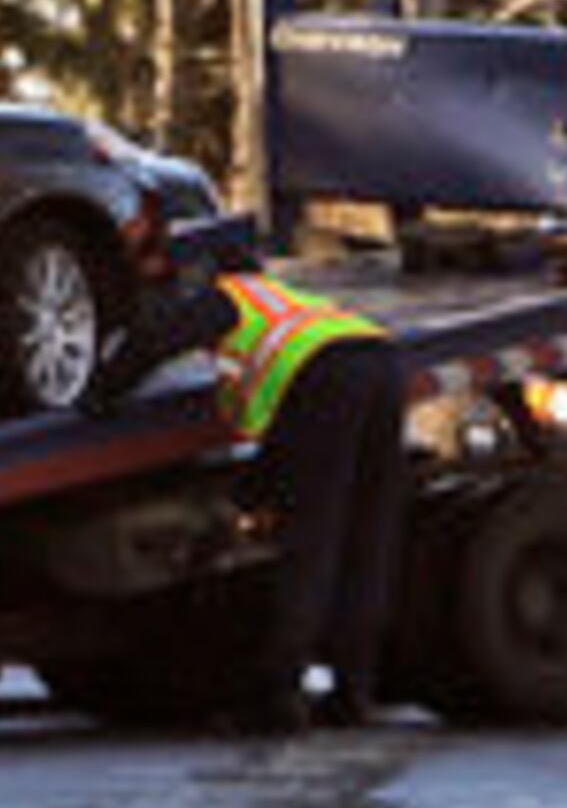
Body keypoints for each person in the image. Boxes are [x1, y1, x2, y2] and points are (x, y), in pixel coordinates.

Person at [80, 242, 411, 734]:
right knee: (366, 539)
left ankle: (279, 699)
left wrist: (101, 392)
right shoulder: (296, 303)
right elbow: (283, 440)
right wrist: (254, 492)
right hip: (384, 366)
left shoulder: (231, 295)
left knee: (309, 543)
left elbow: (158, 338)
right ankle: (353, 694)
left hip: (328, 380)